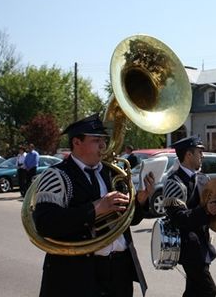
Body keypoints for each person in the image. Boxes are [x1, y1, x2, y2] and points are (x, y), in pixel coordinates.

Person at [32, 113, 155, 297]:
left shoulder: (112, 173)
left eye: (103, 140)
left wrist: (140, 200)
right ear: (77, 142)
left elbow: (127, 220)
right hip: (78, 276)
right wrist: (95, 209)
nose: (103, 146)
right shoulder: (56, 175)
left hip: (119, 272)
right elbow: (45, 224)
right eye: (96, 140)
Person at [162, 136, 216, 297]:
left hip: (202, 244)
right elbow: (178, 219)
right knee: (208, 290)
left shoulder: (203, 178)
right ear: (188, 154)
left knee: (194, 291)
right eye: (199, 152)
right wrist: (205, 211)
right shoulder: (174, 182)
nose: (203, 155)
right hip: (188, 248)